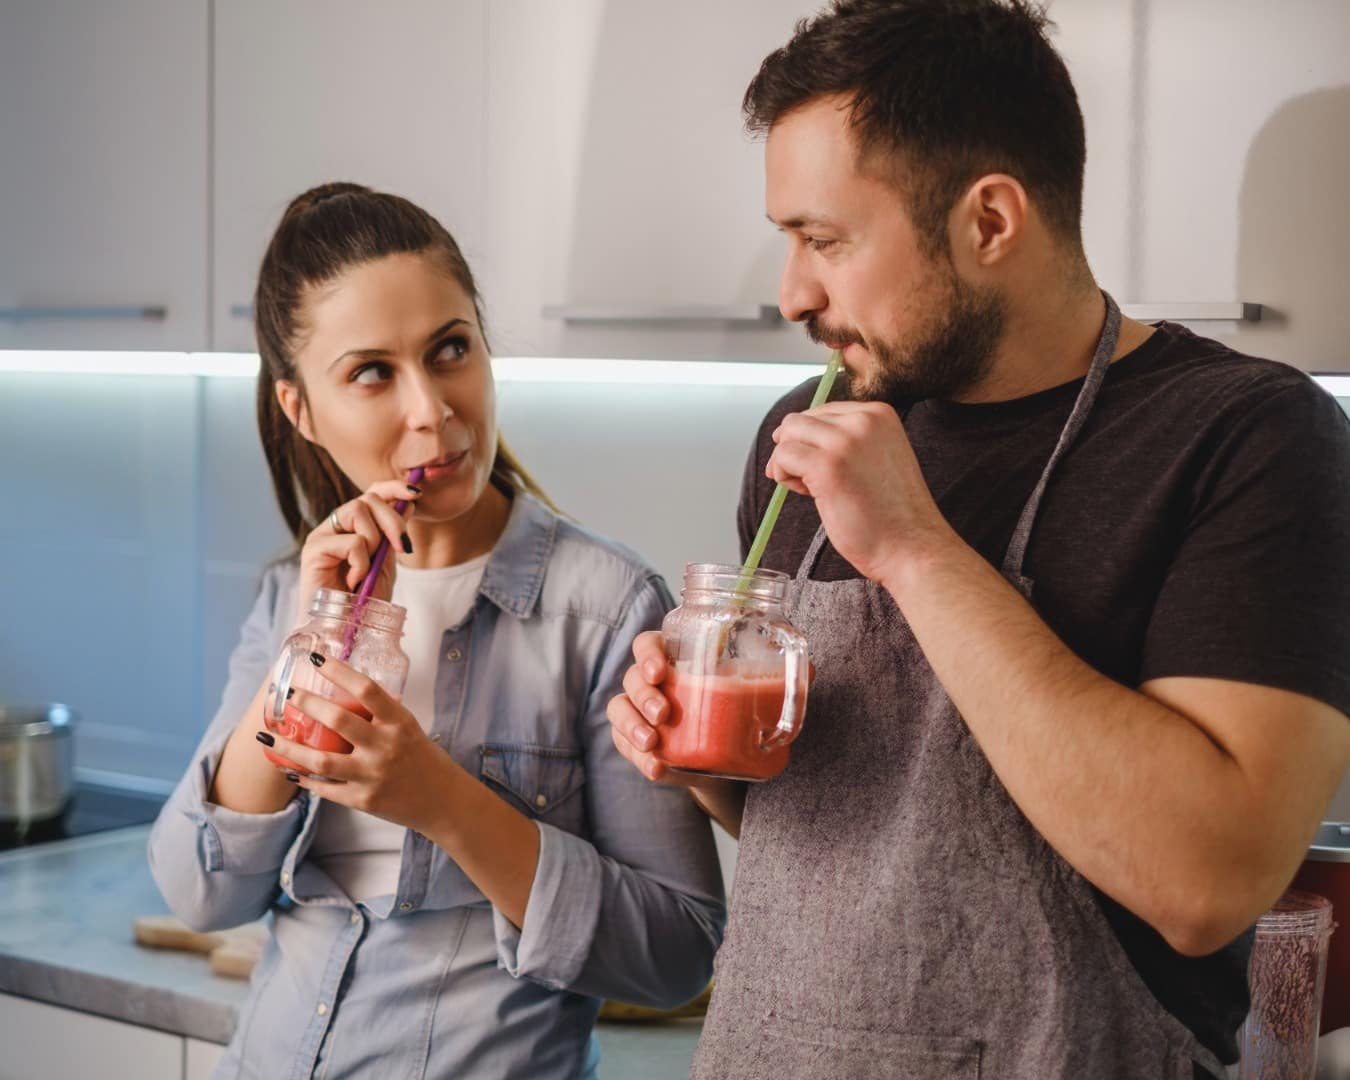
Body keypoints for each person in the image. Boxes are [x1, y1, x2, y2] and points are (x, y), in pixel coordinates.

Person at [606, 2, 1350, 1077]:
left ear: (989, 221)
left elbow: (1205, 881)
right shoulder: (808, 429)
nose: (793, 294)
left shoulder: (1249, 440)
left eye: (826, 240)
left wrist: (915, 548)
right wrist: (695, 749)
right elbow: (828, 836)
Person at [149, 182, 724, 1079]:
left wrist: (439, 799)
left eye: (450, 349)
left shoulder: (607, 608)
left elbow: (676, 953)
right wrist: (306, 644)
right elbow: (201, 891)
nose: (432, 410)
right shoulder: (287, 598)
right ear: (300, 409)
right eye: (372, 372)